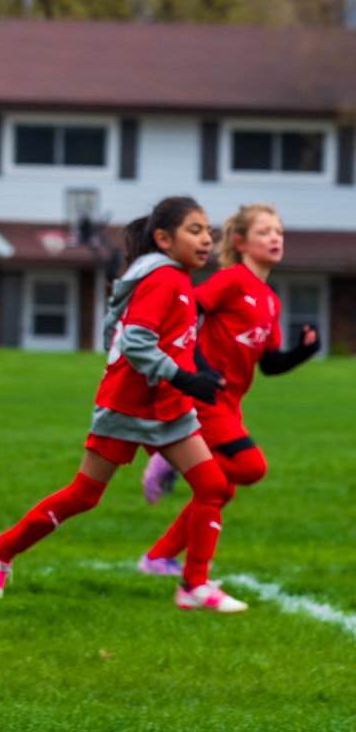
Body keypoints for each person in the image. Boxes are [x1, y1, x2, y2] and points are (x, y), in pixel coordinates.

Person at [0, 196, 246, 612]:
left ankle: (193, 585)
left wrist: (197, 375)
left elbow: (174, 343)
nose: (207, 239)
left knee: (213, 486)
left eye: (209, 231)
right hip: (126, 409)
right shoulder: (164, 280)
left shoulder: (180, 282)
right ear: (164, 239)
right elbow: (136, 343)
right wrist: (184, 377)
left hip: (168, 409)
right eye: (195, 230)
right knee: (84, 495)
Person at [136, 203, 318, 574]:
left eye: (279, 232)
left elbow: (269, 363)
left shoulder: (269, 299)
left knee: (220, 488)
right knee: (251, 468)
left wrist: (302, 352)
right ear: (240, 242)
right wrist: (198, 368)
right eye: (265, 231)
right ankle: (168, 460)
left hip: (230, 405)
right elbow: (187, 308)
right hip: (205, 397)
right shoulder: (232, 278)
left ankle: (158, 558)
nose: (275, 238)